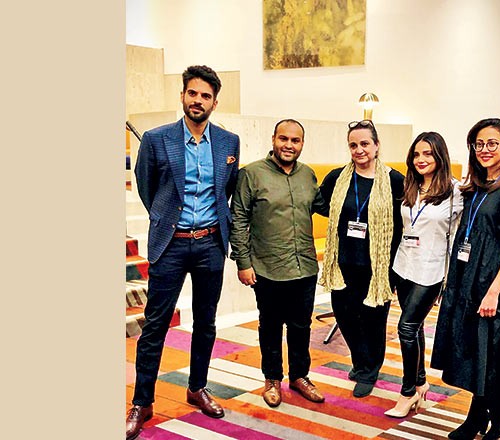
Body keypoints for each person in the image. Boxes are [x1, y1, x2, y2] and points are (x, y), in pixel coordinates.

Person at [127, 65, 240, 440]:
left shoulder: (228, 142)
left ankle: (197, 388)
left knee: (206, 322)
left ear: (214, 103)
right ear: (182, 96)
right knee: (155, 325)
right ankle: (142, 402)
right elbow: (147, 187)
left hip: (210, 243)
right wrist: (166, 218)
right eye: (193, 93)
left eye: (206, 95)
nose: (198, 100)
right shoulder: (157, 139)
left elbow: (227, 190)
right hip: (170, 244)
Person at [430, 118, 500, 440]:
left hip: (492, 283)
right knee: (475, 350)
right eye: (478, 144)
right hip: (467, 280)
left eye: (492, 143)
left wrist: (494, 292)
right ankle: (477, 415)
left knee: (494, 351)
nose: (484, 150)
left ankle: (497, 417)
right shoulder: (475, 188)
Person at [229, 119, 326, 408]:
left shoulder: (307, 174)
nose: (289, 145)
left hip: (304, 266)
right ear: (273, 139)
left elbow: (322, 206)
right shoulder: (251, 174)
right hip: (267, 268)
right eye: (284, 139)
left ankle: (300, 376)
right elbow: (239, 219)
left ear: (302, 144)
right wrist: (243, 262)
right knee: (270, 327)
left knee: (301, 326)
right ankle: (272, 379)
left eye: (295, 140)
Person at [318, 119, 404, 398]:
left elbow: (403, 224)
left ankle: (369, 370)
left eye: (365, 143)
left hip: (377, 267)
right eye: (353, 145)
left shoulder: (394, 181)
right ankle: (360, 361)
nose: (359, 150)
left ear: (377, 145)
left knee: (373, 322)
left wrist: (395, 270)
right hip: (342, 264)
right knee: (345, 316)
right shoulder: (337, 178)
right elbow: (322, 206)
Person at [384, 132, 463, 417]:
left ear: (440, 156)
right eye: (416, 154)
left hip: (431, 269)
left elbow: (461, 234)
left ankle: (407, 393)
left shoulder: (455, 192)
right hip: (404, 264)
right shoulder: (411, 186)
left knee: (405, 328)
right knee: (414, 328)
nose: (421, 159)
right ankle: (420, 383)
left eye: (428, 153)